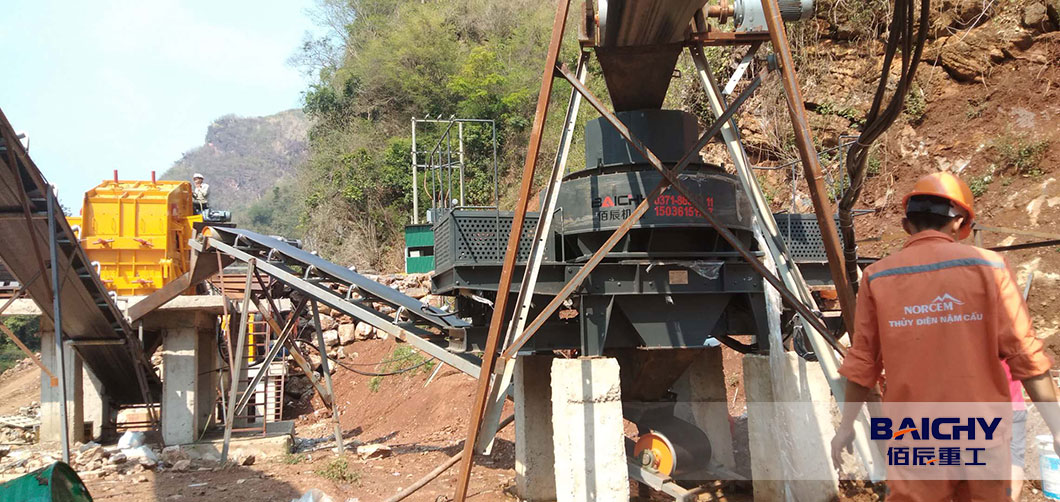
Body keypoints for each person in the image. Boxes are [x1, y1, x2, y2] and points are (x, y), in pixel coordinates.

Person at [830, 172, 1060, 501]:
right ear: (959, 222)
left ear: (907, 224)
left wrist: (845, 427)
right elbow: (1025, 354)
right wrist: (1056, 426)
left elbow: (863, 362)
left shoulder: (878, 277)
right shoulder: (991, 268)